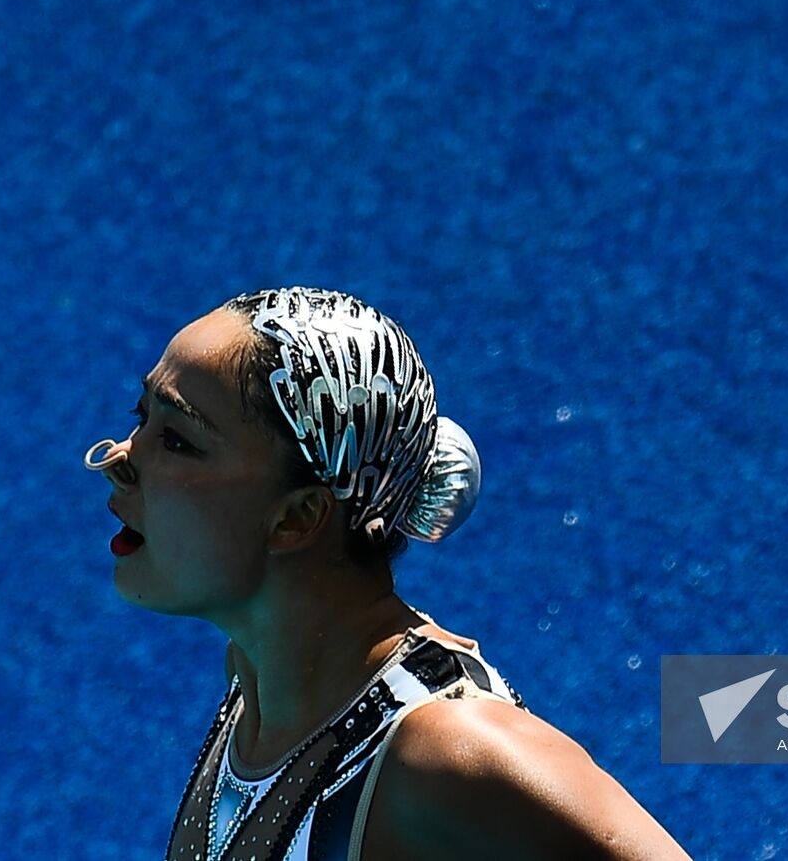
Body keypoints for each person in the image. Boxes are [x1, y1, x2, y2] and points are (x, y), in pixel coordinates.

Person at [85, 287, 693, 861]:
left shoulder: (448, 753)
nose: (118, 459)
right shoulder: (258, 687)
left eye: (178, 441)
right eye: (140, 418)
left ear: (297, 517)